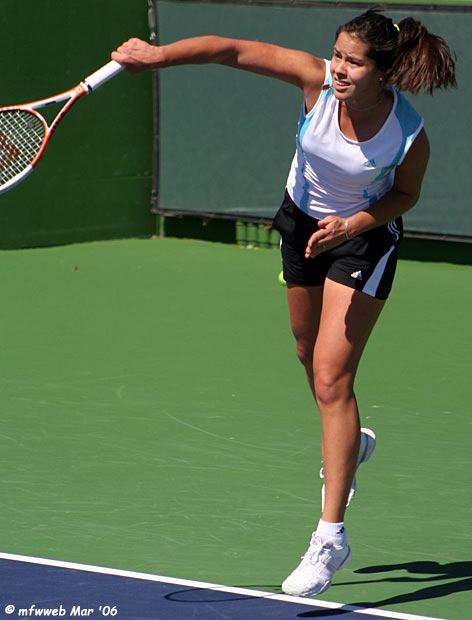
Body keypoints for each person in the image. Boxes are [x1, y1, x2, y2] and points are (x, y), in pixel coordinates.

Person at [111, 8, 456, 597]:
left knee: (331, 377)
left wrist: (352, 225)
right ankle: (350, 442)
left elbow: (405, 194)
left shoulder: (408, 132)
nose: (339, 69)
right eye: (337, 54)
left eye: (353, 61)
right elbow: (230, 49)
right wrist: (157, 56)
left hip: (362, 239)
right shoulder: (315, 82)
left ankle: (330, 536)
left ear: (384, 71)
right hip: (300, 222)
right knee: (305, 350)